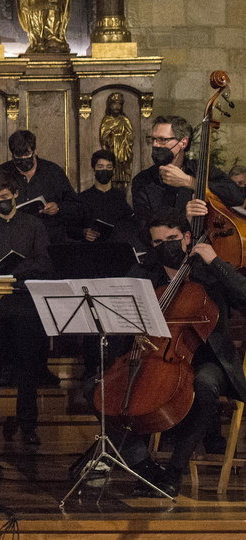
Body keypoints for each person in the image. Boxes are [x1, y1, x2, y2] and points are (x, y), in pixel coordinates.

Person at [97, 206, 246, 498]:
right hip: (154, 358)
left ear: (188, 238)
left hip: (208, 359)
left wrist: (216, 262)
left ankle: (174, 472)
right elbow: (121, 317)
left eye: (172, 239)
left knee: (204, 385)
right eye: (158, 242)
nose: (165, 247)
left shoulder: (209, 271)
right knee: (99, 391)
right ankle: (146, 469)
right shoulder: (144, 272)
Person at [0, 170, 54, 446]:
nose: (1, 202)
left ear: (16, 195)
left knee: (27, 368)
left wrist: (15, 269)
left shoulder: (33, 225)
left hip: (24, 302)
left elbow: (44, 262)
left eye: (5, 197)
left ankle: (28, 425)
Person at [131, 115, 244, 234]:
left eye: (162, 140)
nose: (155, 145)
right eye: (153, 139)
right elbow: (144, 229)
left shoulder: (201, 169)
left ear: (183, 142)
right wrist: (185, 222)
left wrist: (190, 182)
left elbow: (237, 197)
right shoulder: (143, 180)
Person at [0, 130, 86, 245]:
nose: (23, 158)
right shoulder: (2, 173)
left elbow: (77, 207)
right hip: (13, 239)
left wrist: (58, 208)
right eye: (18, 155)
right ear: (12, 155)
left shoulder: (53, 172)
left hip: (49, 240)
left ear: (35, 150)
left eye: (27, 154)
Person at [67, 150, 141, 247]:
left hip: (114, 248)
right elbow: (70, 227)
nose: (104, 170)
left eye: (108, 167)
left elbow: (129, 225)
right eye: (100, 167)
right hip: (90, 248)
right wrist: (84, 232)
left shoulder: (120, 197)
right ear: (93, 169)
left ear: (113, 170)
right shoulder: (82, 198)